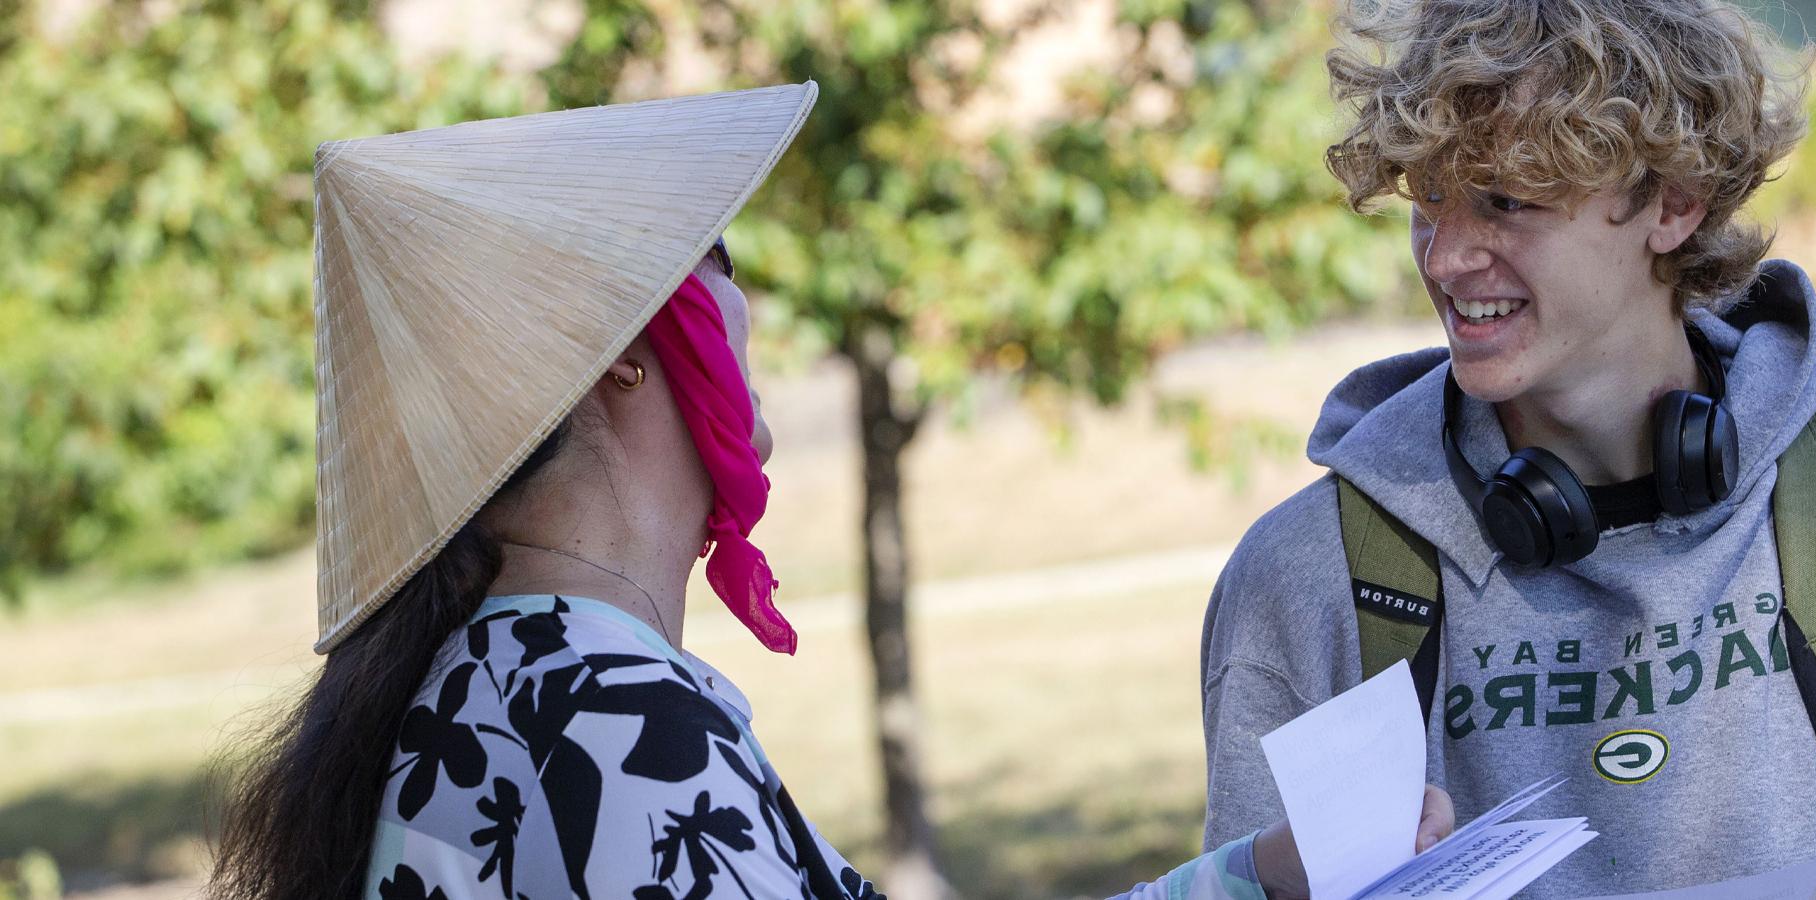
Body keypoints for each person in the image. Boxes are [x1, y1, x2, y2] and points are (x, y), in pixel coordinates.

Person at [206, 84, 1453, 900]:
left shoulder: (496, 673)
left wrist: (1257, 879)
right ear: (640, 349)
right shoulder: (611, 710)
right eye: (719, 266)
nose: (756, 319)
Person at [1197, 0, 1816, 896]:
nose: (1445, 258)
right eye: (1429, 199)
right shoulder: (1307, 580)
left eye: (1507, 201)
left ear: (1673, 203)